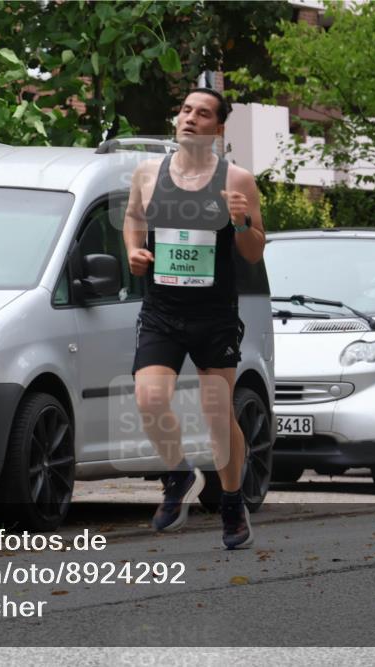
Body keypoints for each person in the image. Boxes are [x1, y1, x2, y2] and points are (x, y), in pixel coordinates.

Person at [122, 87, 265, 550]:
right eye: (185, 110)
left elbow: (253, 251)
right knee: (149, 398)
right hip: (162, 309)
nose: (190, 119)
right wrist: (134, 252)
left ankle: (230, 500)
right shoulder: (148, 173)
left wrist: (242, 223)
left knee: (216, 414)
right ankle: (179, 473)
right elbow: (132, 217)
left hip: (214, 313)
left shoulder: (237, 180)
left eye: (202, 114)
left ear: (218, 128)